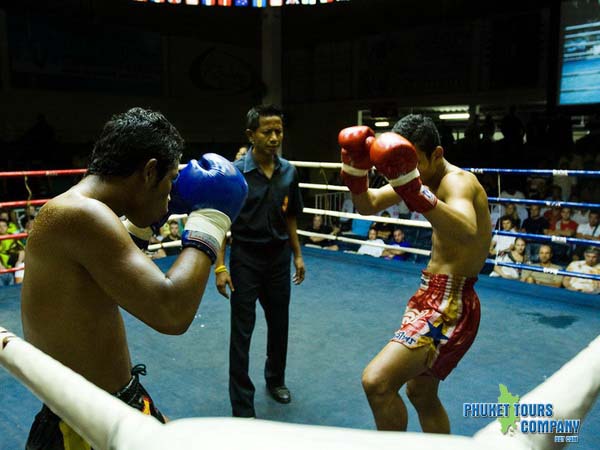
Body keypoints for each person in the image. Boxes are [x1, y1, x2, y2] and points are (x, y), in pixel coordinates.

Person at [20, 107, 248, 449]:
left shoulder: (81, 210)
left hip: (105, 404)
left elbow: (113, 266)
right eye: (170, 180)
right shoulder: (80, 214)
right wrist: (211, 220)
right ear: (149, 171)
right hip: (84, 425)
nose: (171, 193)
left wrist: (149, 215)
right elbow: (171, 311)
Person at [339, 114, 491, 432]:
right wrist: (356, 174)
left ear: (436, 153)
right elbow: (368, 204)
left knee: (377, 382)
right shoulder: (420, 177)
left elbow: (466, 229)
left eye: (416, 164)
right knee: (420, 394)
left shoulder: (457, 181)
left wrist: (414, 190)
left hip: (451, 305)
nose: (411, 174)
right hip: (429, 294)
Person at [215, 105, 305, 418]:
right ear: (251, 134)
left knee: (280, 325)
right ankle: (242, 404)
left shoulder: (289, 172)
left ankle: (275, 380)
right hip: (245, 259)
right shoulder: (234, 174)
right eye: (267, 131)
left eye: (278, 131)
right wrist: (220, 266)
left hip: (279, 258)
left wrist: (297, 254)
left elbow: (290, 214)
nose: (274, 137)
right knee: (242, 332)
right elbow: (220, 222)